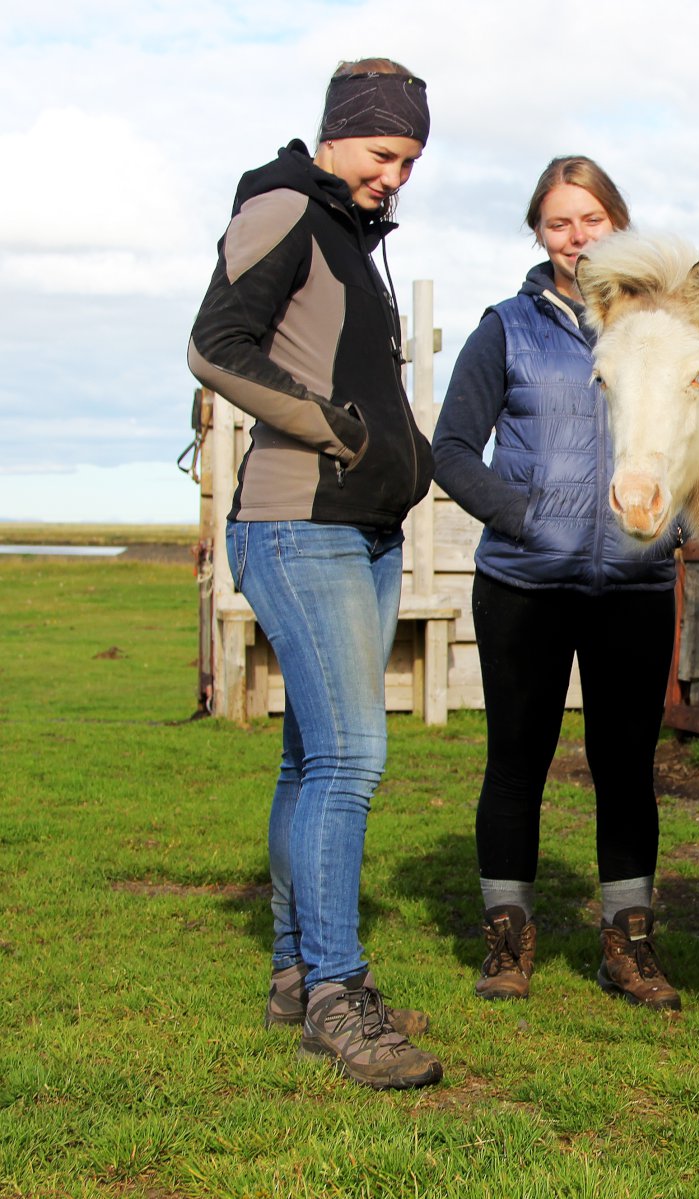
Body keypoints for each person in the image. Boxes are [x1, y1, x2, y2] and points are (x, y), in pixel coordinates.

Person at [188, 58, 441, 1089]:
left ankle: (298, 975)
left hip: (360, 528)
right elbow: (215, 345)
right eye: (384, 153)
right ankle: (339, 995)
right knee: (350, 759)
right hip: (302, 524)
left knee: (310, 760)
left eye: (410, 161)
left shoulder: (348, 232)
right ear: (338, 133)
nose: (395, 176)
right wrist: (340, 431)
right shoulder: (287, 205)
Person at [431, 156, 682, 1012]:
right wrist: (523, 516)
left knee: (627, 768)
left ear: (620, 223)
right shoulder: (505, 330)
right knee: (516, 763)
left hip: (635, 585)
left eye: (592, 219)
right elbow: (452, 449)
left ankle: (629, 947)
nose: (577, 237)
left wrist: (677, 519)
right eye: (558, 222)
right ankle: (507, 943)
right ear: (539, 233)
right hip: (524, 587)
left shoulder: (665, 331)